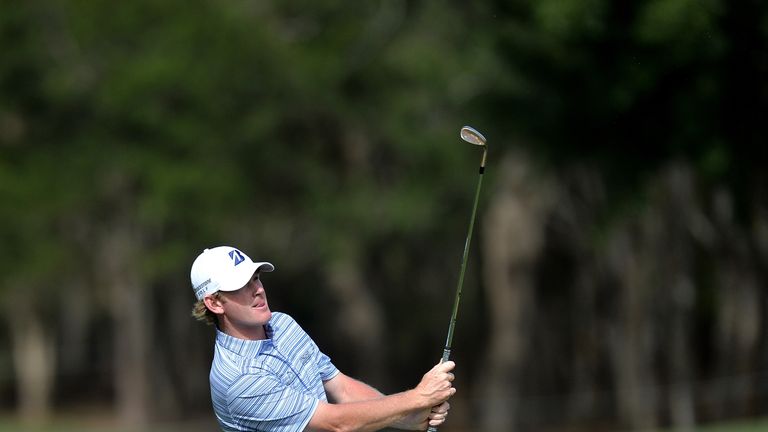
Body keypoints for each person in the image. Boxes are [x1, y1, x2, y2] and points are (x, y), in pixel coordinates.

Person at [190, 246, 456, 432]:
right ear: (214, 303)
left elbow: (340, 388)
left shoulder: (282, 324)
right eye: (242, 285)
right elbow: (335, 423)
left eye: (256, 278)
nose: (258, 289)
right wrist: (417, 398)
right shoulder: (237, 379)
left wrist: (408, 418)